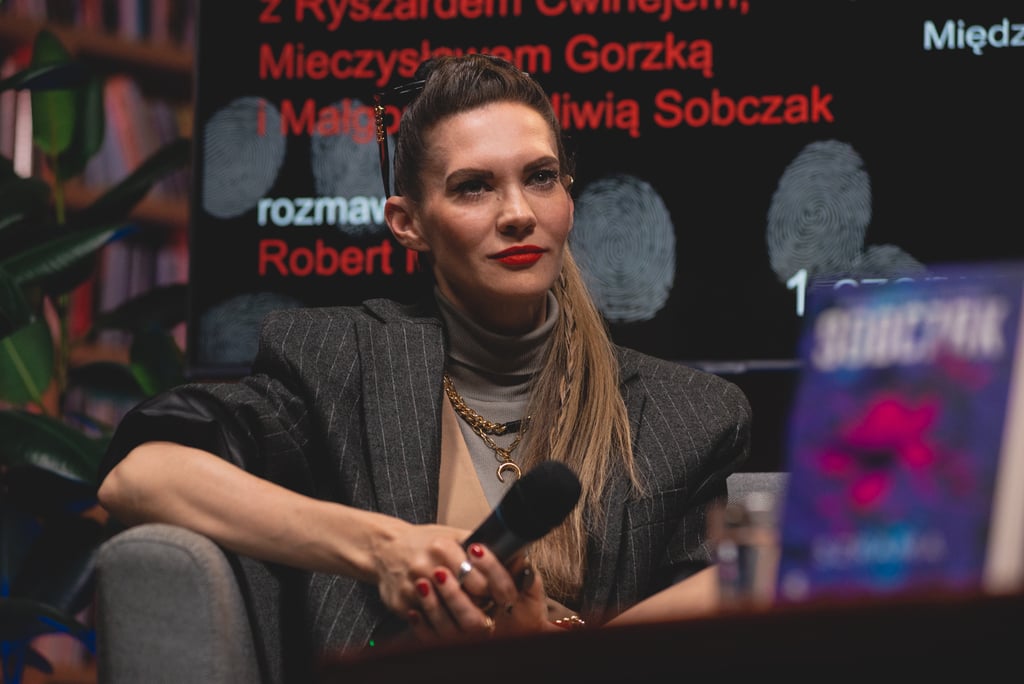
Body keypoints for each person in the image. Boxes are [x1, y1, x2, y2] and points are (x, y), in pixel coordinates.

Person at [97, 54, 752, 683]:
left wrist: (549, 653)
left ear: (569, 199)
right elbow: (141, 475)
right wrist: (386, 550)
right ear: (408, 223)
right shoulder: (336, 364)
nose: (518, 213)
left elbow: (725, 623)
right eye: (474, 187)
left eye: (540, 177)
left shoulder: (688, 416)